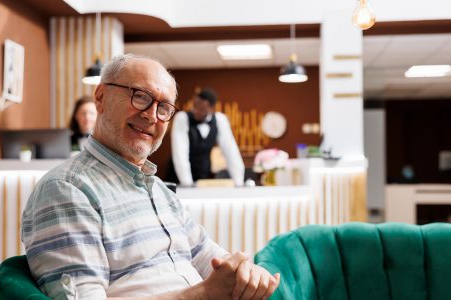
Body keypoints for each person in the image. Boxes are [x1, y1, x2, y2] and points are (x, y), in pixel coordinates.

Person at [22, 54, 279, 299]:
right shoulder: (66, 190)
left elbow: (209, 258)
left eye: (164, 107)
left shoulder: (159, 191)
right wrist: (202, 294)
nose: (151, 115)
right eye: (140, 96)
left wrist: (244, 272)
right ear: (101, 97)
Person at [171, 88, 244, 186]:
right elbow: (180, 153)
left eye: (201, 109)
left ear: (211, 108)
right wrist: (187, 183)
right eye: (195, 106)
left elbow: (231, 151)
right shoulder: (182, 118)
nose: (195, 111)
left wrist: (239, 182)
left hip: (204, 177)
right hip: (179, 178)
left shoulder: (220, 120)